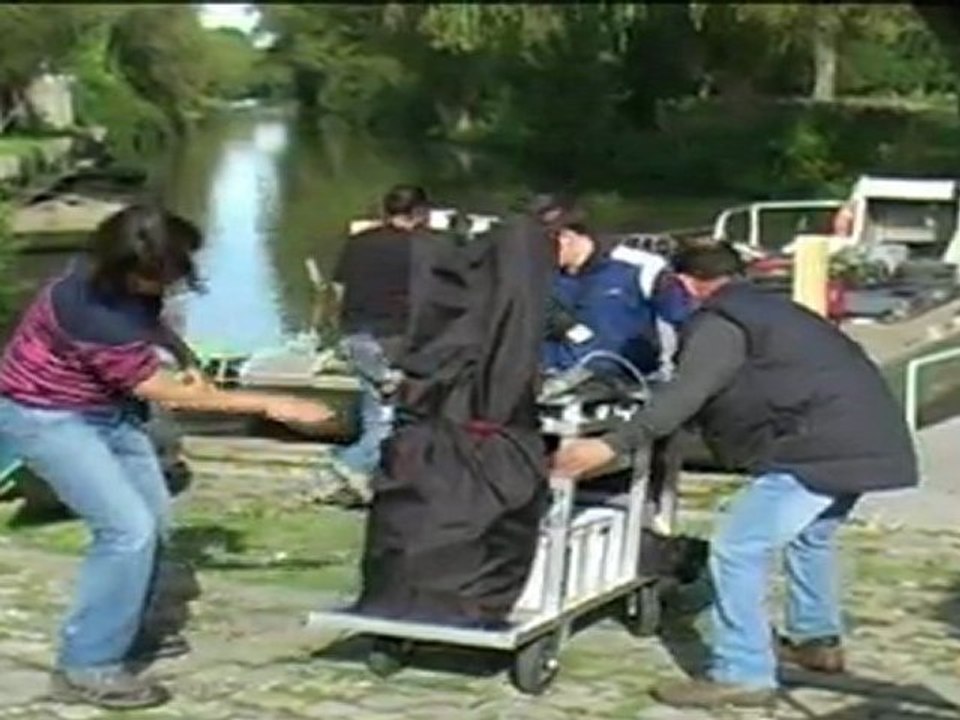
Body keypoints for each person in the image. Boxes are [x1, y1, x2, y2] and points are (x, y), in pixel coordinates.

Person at [552, 242, 918, 710]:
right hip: (868, 438)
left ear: (687, 283)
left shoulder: (721, 323)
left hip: (816, 448)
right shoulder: (773, 310)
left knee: (737, 547)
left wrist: (609, 445)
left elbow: (688, 392)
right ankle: (817, 642)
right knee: (811, 537)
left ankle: (743, 672)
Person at [0, 204, 333, 710]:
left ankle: (126, 624)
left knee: (153, 520)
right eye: (162, 275)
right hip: (47, 417)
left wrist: (189, 359)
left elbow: (154, 327)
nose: (171, 285)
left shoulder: (120, 279)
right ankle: (87, 665)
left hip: (107, 411)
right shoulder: (89, 310)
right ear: (127, 266)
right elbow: (170, 396)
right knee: (127, 530)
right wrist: (273, 402)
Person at [323, 184, 439, 506]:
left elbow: (338, 289)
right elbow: (430, 299)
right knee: (394, 415)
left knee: (373, 409)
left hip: (356, 332)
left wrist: (339, 329)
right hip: (395, 339)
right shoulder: (423, 248)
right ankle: (346, 465)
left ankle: (366, 481)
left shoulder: (358, 241)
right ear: (419, 213)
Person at [543, 220, 692, 380]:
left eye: (543, 244)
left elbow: (684, 320)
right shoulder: (536, 274)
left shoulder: (642, 267)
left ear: (567, 237)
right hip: (552, 383)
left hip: (629, 386)